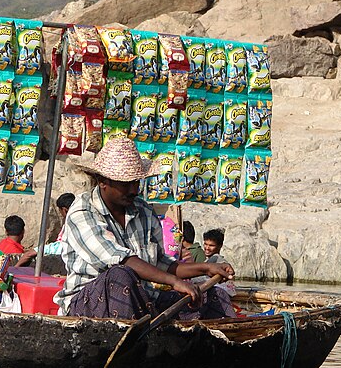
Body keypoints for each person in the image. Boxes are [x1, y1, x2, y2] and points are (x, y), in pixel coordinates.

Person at [55, 137, 235, 320]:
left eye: (136, 182)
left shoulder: (143, 211)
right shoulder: (82, 210)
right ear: (102, 181)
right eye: (126, 184)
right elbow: (121, 260)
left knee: (214, 298)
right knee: (120, 276)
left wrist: (206, 268)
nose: (134, 190)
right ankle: (131, 344)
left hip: (143, 301)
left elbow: (161, 264)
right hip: (88, 304)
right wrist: (174, 282)